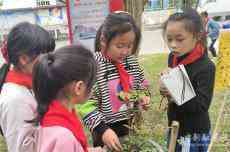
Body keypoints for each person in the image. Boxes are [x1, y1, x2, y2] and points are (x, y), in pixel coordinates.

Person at [81, 11, 150, 151]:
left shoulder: (131, 62)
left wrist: (144, 96)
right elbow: (85, 104)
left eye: (129, 46)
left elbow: (142, 85)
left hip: (131, 124)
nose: (125, 51)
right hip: (106, 130)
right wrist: (102, 130)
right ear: (103, 41)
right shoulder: (93, 66)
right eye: (119, 46)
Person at [28, 45, 104, 152]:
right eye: (92, 84)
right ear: (79, 87)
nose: (93, 89)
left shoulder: (48, 113)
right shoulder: (64, 137)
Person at [159, 9, 215, 152]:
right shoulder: (173, 57)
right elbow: (172, 93)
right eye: (169, 39)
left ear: (197, 36)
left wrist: (175, 89)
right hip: (175, 126)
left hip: (194, 132)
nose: (173, 45)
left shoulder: (206, 67)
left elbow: (201, 106)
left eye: (179, 39)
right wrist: (165, 89)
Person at [0, 22, 55, 152]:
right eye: (46, 55)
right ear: (24, 58)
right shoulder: (15, 100)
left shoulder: (30, 84)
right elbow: (22, 149)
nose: (51, 60)